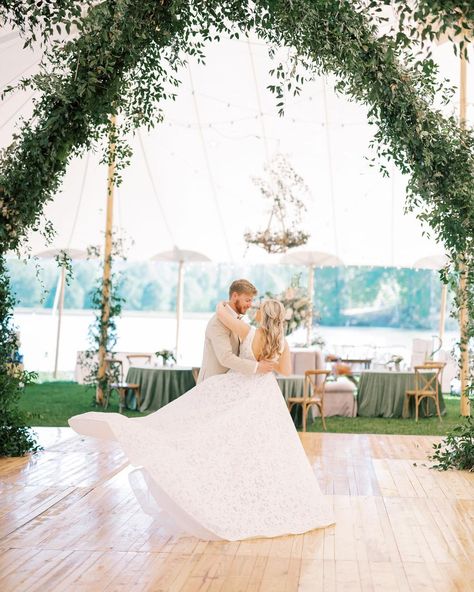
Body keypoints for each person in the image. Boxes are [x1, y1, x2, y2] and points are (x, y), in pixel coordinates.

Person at [68, 292, 335, 541]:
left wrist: (224, 304)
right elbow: (286, 372)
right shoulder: (283, 343)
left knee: (210, 433)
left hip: (237, 388)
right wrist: (271, 361)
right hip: (264, 396)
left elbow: (222, 315)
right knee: (261, 449)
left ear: (262, 315)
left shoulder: (249, 331)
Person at [197, 279, 276, 382]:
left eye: (251, 301)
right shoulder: (218, 323)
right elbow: (225, 358)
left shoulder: (238, 321)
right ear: (235, 296)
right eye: (247, 300)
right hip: (212, 384)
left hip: (230, 384)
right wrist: (258, 367)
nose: (250, 305)